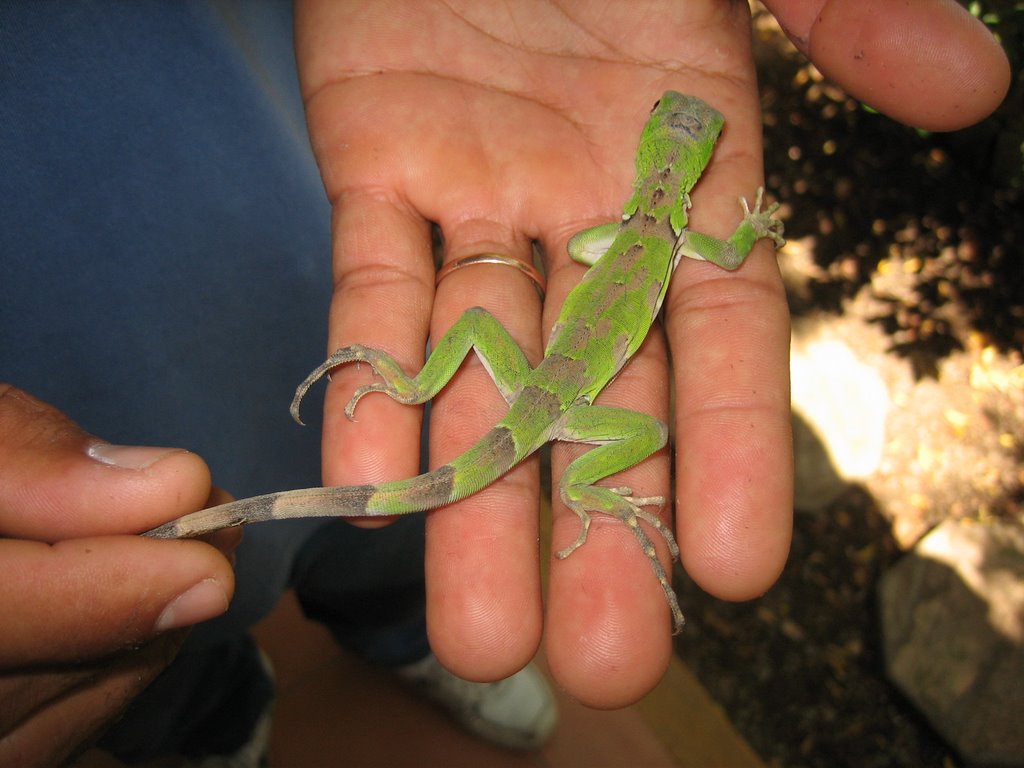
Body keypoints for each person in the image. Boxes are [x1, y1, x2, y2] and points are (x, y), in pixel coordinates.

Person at [0, 0, 1009, 764]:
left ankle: (408, 399)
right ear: (685, 161)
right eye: (684, 134)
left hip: (536, 381)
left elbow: (616, 237)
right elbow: (723, 242)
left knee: (473, 330)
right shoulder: (680, 234)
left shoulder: (631, 226)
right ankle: (581, 486)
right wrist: (753, 227)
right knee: (645, 439)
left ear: (658, 149)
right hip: (557, 404)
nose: (681, 138)